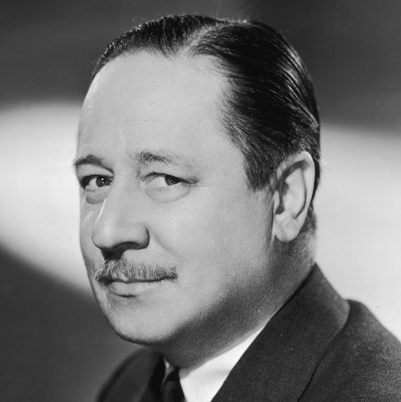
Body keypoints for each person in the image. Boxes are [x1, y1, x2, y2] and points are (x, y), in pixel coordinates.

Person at [74, 14, 401, 402]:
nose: (107, 231)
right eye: (97, 180)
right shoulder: (130, 386)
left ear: (286, 198)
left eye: (166, 179)